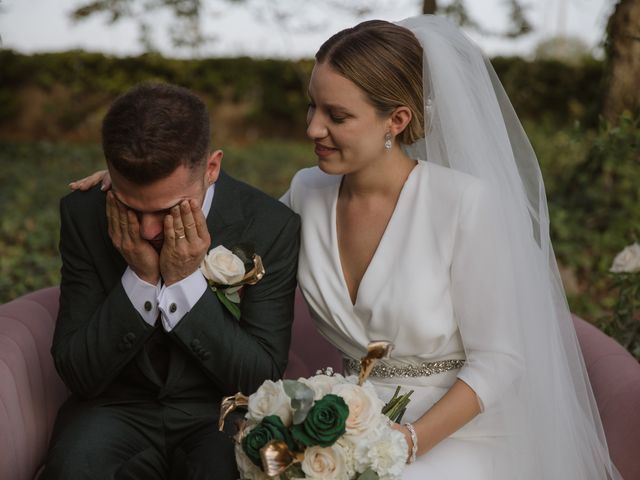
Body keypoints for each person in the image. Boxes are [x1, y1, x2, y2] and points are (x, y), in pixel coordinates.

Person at [74, 16, 620, 479]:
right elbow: (233, 224)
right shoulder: (307, 193)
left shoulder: (467, 205)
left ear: (396, 121)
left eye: (337, 116)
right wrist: (147, 188)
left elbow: (500, 362)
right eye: (313, 106)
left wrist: (403, 445)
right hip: (343, 423)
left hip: (461, 430)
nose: (314, 127)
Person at [45, 82, 300, 480]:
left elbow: (259, 377)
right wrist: (142, 277)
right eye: (132, 207)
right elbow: (78, 372)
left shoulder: (269, 224)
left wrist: (184, 280)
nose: (147, 231)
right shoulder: (83, 212)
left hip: (223, 411)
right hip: (112, 409)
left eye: (167, 210)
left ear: (211, 168)